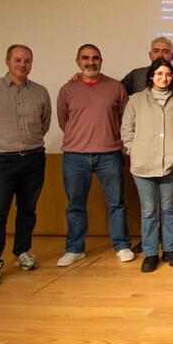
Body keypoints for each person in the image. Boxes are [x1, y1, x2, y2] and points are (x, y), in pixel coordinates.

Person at [0, 45, 51, 287]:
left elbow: (44, 124)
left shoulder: (40, 92)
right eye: (17, 60)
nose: (22, 64)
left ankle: (22, 251)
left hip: (34, 158)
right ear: (7, 61)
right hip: (2, 160)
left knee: (28, 209)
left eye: (27, 60)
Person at [56, 44, 134, 266]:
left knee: (116, 203)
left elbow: (125, 120)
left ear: (101, 60)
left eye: (95, 57)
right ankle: (74, 249)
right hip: (74, 156)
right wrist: (81, 138)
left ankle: (121, 245)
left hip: (109, 154)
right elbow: (64, 121)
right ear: (77, 61)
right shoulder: (67, 90)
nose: (91, 62)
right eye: (85, 58)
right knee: (75, 205)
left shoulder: (116, 87)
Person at [121, 37, 173, 253]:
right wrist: (134, 150)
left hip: (171, 164)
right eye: (159, 73)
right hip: (143, 166)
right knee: (149, 211)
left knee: (169, 208)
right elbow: (127, 130)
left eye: (168, 74)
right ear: (151, 75)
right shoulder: (135, 99)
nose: (164, 77)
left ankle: (171, 250)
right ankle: (150, 252)